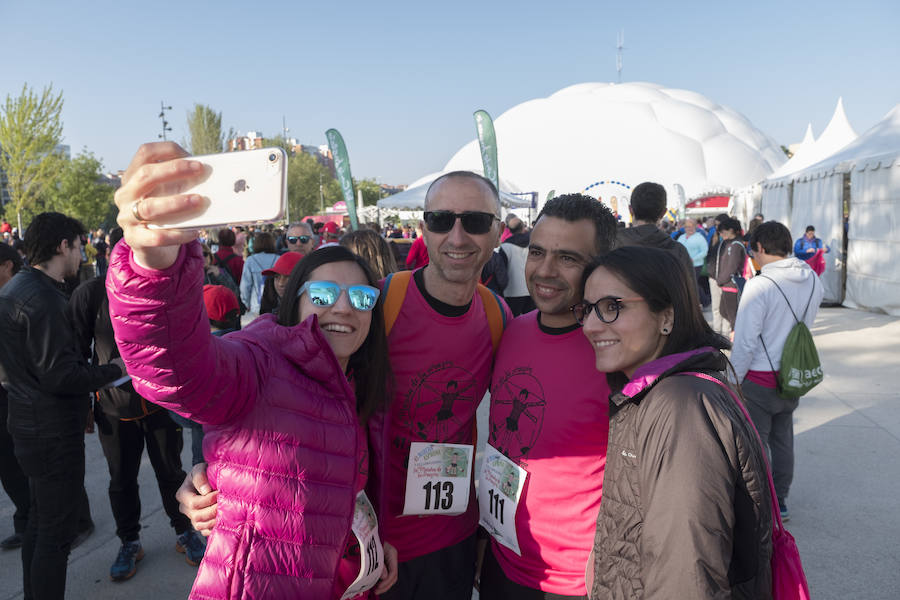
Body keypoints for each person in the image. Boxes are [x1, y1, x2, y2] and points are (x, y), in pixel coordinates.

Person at [179, 170, 513, 600]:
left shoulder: (497, 316)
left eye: (476, 221)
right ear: (424, 227)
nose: (458, 235)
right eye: (442, 219)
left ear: (498, 231)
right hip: (359, 545)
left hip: (449, 538)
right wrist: (218, 470)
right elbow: (283, 380)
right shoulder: (375, 301)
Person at [106, 141, 398, 599]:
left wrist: (374, 543)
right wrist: (154, 264)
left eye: (362, 298)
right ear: (294, 301)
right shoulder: (261, 359)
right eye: (322, 295)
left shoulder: (360, 384)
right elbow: (176, 369)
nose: (344, 308)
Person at [577, 245, 772, 599]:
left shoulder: (679, 406)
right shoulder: (654, 392)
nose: (590, 325)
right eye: (587, 309)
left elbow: (687, 577)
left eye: (612, 307)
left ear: (667, 316)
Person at [479, 194, 616, 599]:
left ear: (599, 268)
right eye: (537, 252)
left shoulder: (615, 351)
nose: (545, 270)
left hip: (575, 580)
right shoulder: (511, 329)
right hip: (502, 559)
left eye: (568, 258)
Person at [67, 227, 204, 581]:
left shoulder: (162, 287)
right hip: (113, 408)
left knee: (170, 471)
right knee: (121, 480)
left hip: (161, 403)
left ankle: (183, 531)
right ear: (112, 252)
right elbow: (75, 354)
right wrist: (88, 397)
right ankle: (129, 541)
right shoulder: (89, 294)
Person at [0, 212, 125, 600]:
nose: (81, 253)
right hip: (50, 431)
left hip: (28, 424)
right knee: (55, 533)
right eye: (78, 245)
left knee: (40, 522)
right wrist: (115, 370)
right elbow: (62, 376)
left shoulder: (19, 287)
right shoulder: (43, 298)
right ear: (63, 246)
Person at [731, 221, 824, 521]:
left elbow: (745, 343)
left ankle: (762, 505)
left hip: (759, 377)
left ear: (759, 248)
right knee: (783, 440)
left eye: (752, 250)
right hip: (792, 375)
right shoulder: (811, 278)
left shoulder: (760, 286)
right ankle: (780, 500)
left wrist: (732, 381)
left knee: (756, 445)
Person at [0, 243, 28, 551]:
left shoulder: (24, 299)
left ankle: (79, 521)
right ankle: (25, 520)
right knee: (8, 465)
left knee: (34, 465)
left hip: (23, 399)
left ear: (8, 265)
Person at [616, 181, 693, 276]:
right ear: (663, 213)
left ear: (630, 210)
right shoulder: (678, 251)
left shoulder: (610, 244)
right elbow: (690, 289)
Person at [706, 217, 747, 334]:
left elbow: (731, 267)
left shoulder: (735, 245)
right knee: (723, 311)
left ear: (731, 230)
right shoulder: (729, 243)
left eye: (723, 231)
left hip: (731, 284)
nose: (721, 234)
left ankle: (737, 336)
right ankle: (737, 333)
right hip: (726, 284)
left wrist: (720, 280)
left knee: (731, 314)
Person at [499, 216, 535, 316]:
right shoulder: (533, 242)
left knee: (511, 322)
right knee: (532, 321)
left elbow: (502, 272)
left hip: (512, 291)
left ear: (509, 230)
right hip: (531, 289)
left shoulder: (505, 246)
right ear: (523, 227)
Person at [239, 231, 278, 314]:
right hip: (276, 304)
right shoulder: (279, 259)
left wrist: (246, 303)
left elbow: (245, 286)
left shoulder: (250, 261)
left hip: (256, 304)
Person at [677, 218, 711, 306]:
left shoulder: (699, 238)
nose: (689, 228)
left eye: (691, 226)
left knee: (692, 283)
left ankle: (703, 301)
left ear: (695, 227)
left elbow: (704, 251)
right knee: (690, 283)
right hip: (683, 264)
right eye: (687, 226)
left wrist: (693, 258)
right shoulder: (681, 237)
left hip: (696, 265)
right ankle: (703, 300)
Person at [258, 251, 303, 315]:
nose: (280, 283)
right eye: (276, 277)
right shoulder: (270, 305)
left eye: (288, 277)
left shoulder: (311, 312)